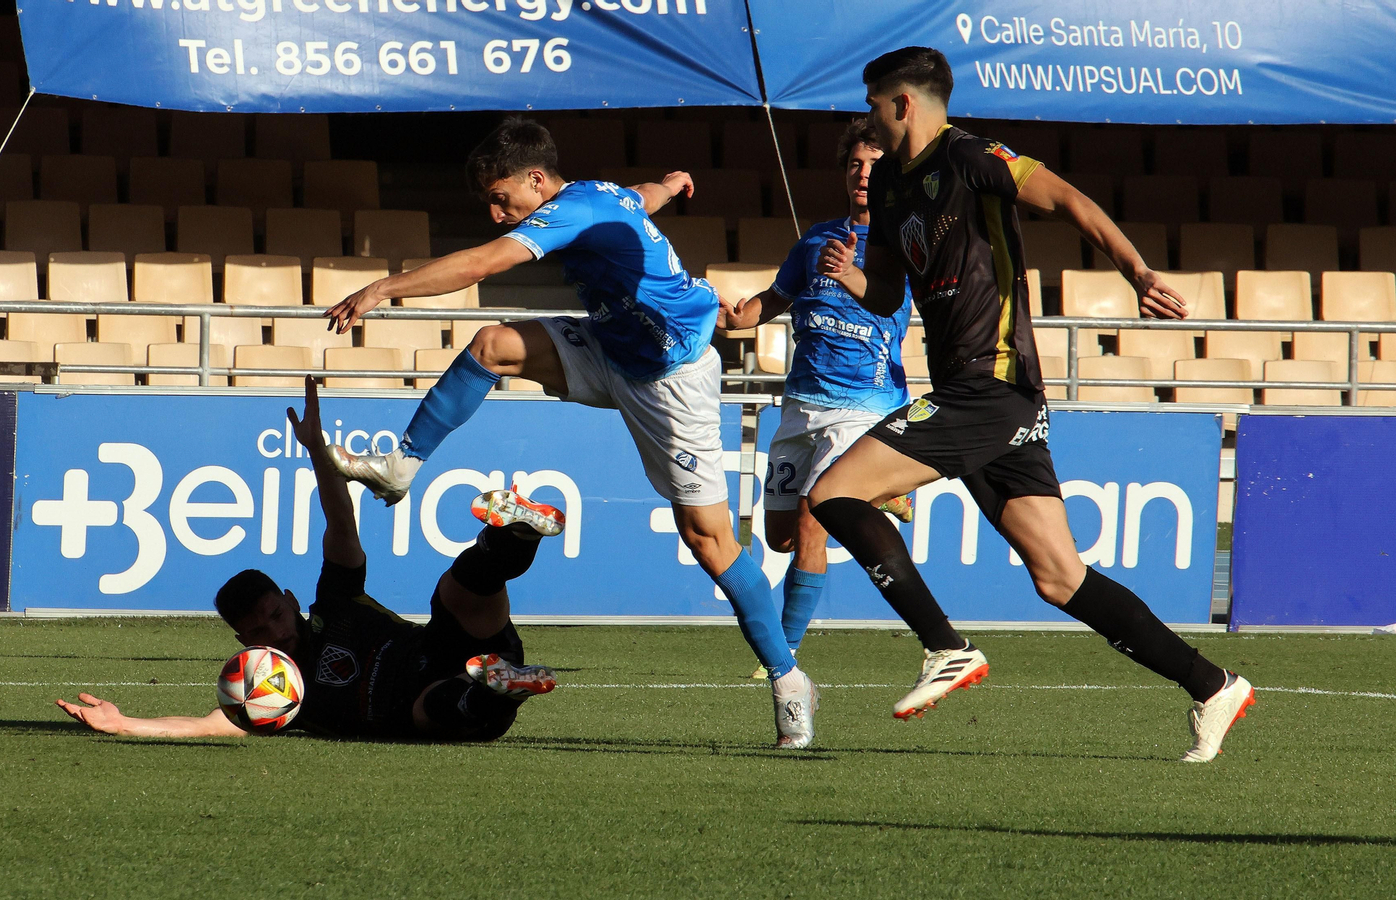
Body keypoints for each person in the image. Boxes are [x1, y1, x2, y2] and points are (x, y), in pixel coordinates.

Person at [804, 47, 1253, 762]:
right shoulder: (889, 184)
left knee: (832, 492)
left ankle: (944, 647)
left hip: (992, 386)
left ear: (901, 104)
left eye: (871, 105)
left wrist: (1136, 271)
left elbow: (1070, 199)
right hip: (976, 395)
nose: (868, 120)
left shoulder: (973, 157)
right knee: (1059, 577)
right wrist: (852, 278)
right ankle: (1211, 684)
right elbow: (890, 293)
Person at [321, 118, 819, 748]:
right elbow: (640, 196)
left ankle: (788, 679)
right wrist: (669, 183)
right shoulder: (601, 194)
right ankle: (404, 465)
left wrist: (383, 289)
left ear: (537, 179)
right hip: (612, 346)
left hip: (673, 374)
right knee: (493, 345)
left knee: (709, 539)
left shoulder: (571, 209)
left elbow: (481, 264)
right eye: (490, 204)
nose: (500, 214)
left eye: (503, 198)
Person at [56, 378, 561, 742]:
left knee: (455, 590)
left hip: (446, 644)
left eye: (276, 615)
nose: (275, 634)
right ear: (243, 642)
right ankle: (499, 690)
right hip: (442, 702)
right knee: (431, 709)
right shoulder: (276, 694)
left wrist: (318, 451)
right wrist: (126, 724)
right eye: (259, 631)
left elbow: (340, 522)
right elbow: (212, 724)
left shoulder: (334, 602)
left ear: (291, 600)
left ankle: (516, 533)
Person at [718, 117, 915, 678]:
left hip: (863, 405)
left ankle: (782, 654)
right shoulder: (814, 241)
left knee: (812, 522)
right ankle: (880, 494)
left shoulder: (902, 243)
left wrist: (854, 271)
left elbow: (890, 301)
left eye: (875, 166)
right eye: (855, 164)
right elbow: (775, 296)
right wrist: (740, 319)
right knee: (779, 538)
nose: (862, 174)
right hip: (801, 403)